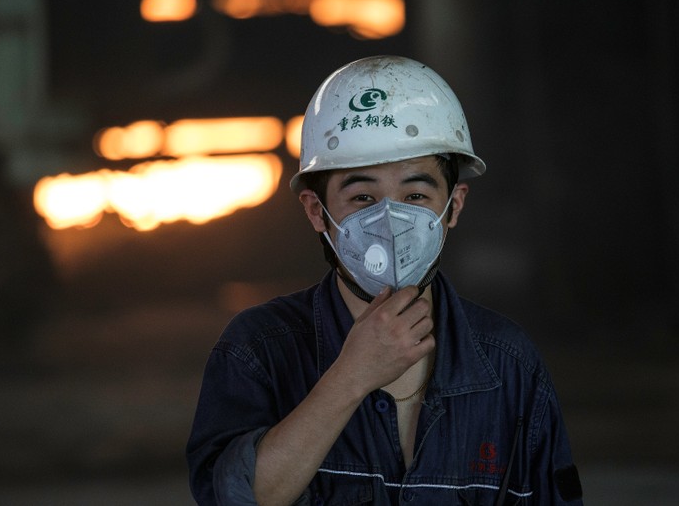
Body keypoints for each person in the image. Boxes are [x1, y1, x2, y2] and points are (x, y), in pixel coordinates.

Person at [187, 55, 583, 505]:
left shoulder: (508, 364)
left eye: (415, 195)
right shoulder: (259, 348)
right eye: (362, 197)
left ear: (453, 206)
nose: (389, 220)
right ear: (317, 211)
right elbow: (235, 498)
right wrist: (352, 376)